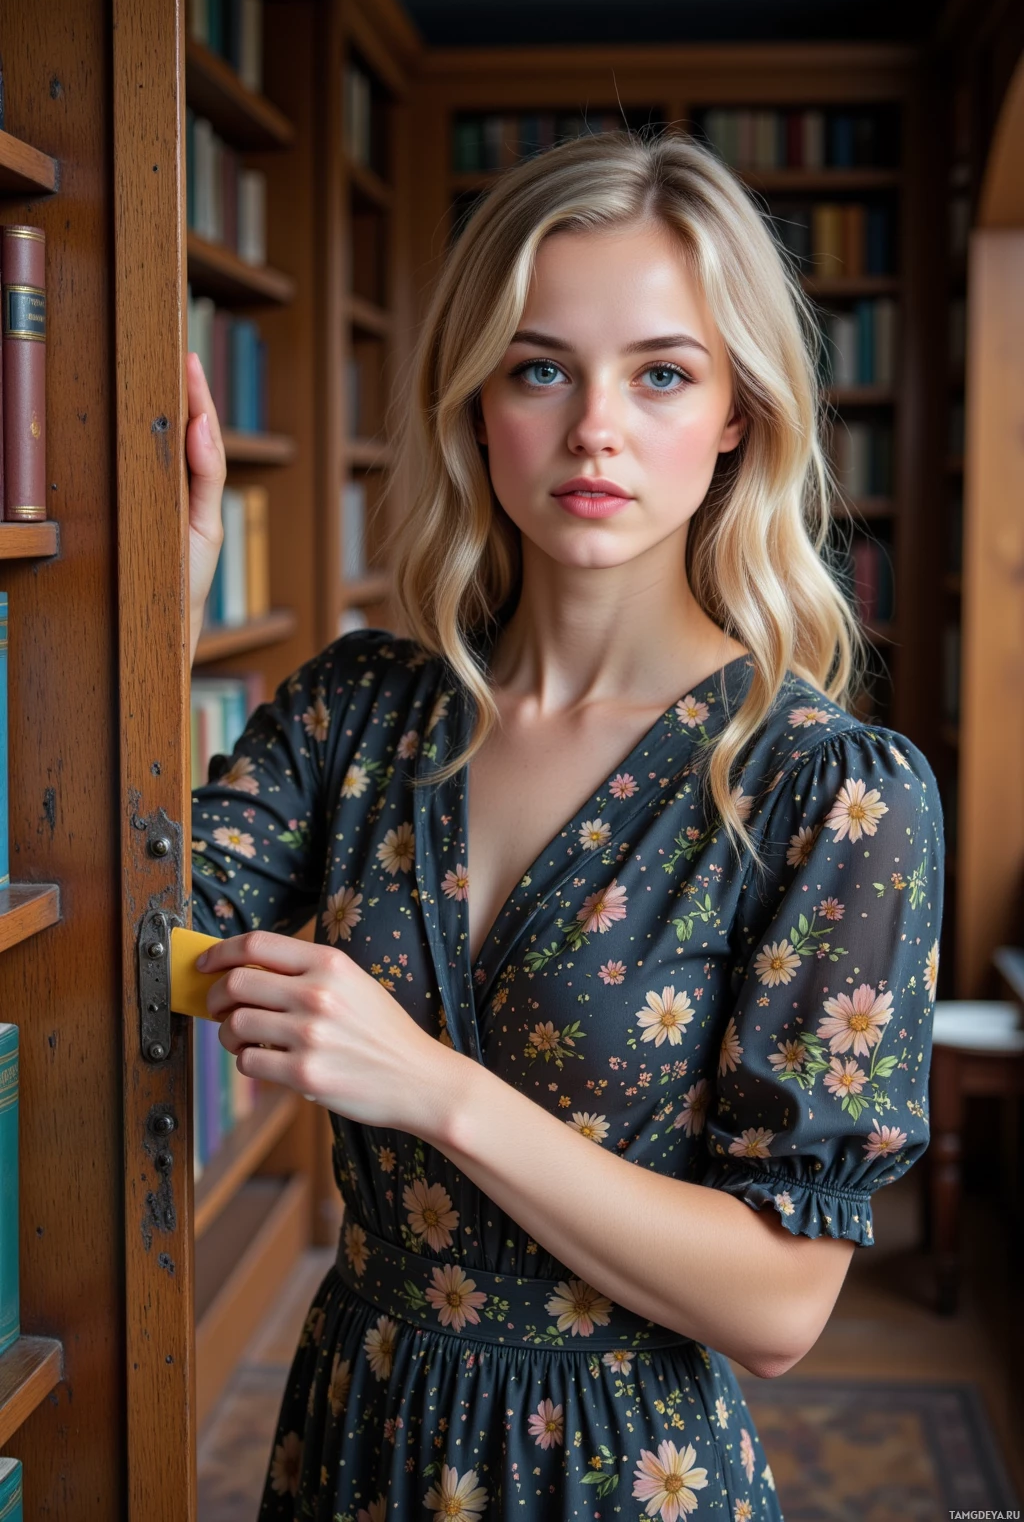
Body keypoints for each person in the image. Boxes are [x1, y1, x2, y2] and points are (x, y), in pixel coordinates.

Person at [185, 130, 943, 1521]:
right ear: (478, 405)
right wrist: (150, 614)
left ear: (736, 416)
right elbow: (133, 938)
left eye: (663, 372)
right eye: (542, 367)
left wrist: (437, 1091)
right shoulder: (362, 710)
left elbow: (780, 1307)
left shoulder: (829, 791)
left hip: (620, 1475)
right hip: (357, 1437)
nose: (596, 425)